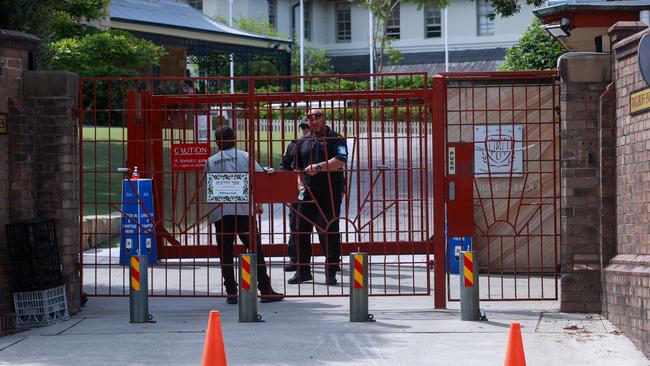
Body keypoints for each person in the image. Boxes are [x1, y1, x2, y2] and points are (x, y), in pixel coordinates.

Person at [205, 126, 284, 304]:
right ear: (234, 139)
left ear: (217, 142)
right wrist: (258, 200)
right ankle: (265, 289)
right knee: (255, 250)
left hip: (221, 213)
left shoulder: (211, 161)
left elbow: (210, 186)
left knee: (225, 253)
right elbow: (259, 177)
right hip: (243, 212)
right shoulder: (245, 157)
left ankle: (231, 293)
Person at [290, 108, 347, 285]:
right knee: (300, 231)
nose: (313, 120)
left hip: (329, 192)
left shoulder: (335, 138)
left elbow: (341, 160)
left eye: (317, 116)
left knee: (328, 230)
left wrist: (319, 167)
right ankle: (303, 270)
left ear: (325, 118)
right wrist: (300, 183)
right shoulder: (302, 141)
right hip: (307, 193)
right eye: (310, 117)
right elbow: (297, 167)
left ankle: (331, 271)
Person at [280, 118, 311, 272]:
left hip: (319, 190)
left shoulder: (324, 143)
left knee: (325, 226)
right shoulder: (294, 144)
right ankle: (295, 260)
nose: (305, 130)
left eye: (308, 127)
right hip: (298, 192)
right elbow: (284, 165)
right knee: (295, 226)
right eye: (303, 127)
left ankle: (331, 262)